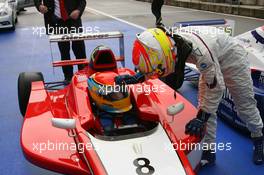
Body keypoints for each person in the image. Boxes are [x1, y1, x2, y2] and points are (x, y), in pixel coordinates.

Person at [115, 26, 264, 166]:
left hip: (232, 58)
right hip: (213, 53)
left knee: (244, 104)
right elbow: (157, 61)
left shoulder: (201, 54)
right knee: (203, 107)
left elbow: (216, 87)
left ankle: (259, 139)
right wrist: (140, 75)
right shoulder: (166, 43)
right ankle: (208, 151)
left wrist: (201, 118)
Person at [34, 0, 87, 81]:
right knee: (64, 51)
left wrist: (78, 10)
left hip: (74, 19)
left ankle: (83, 74)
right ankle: (68, 77)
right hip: (57, 22)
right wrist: (39, 6)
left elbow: (82, 1)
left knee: (79, 49)